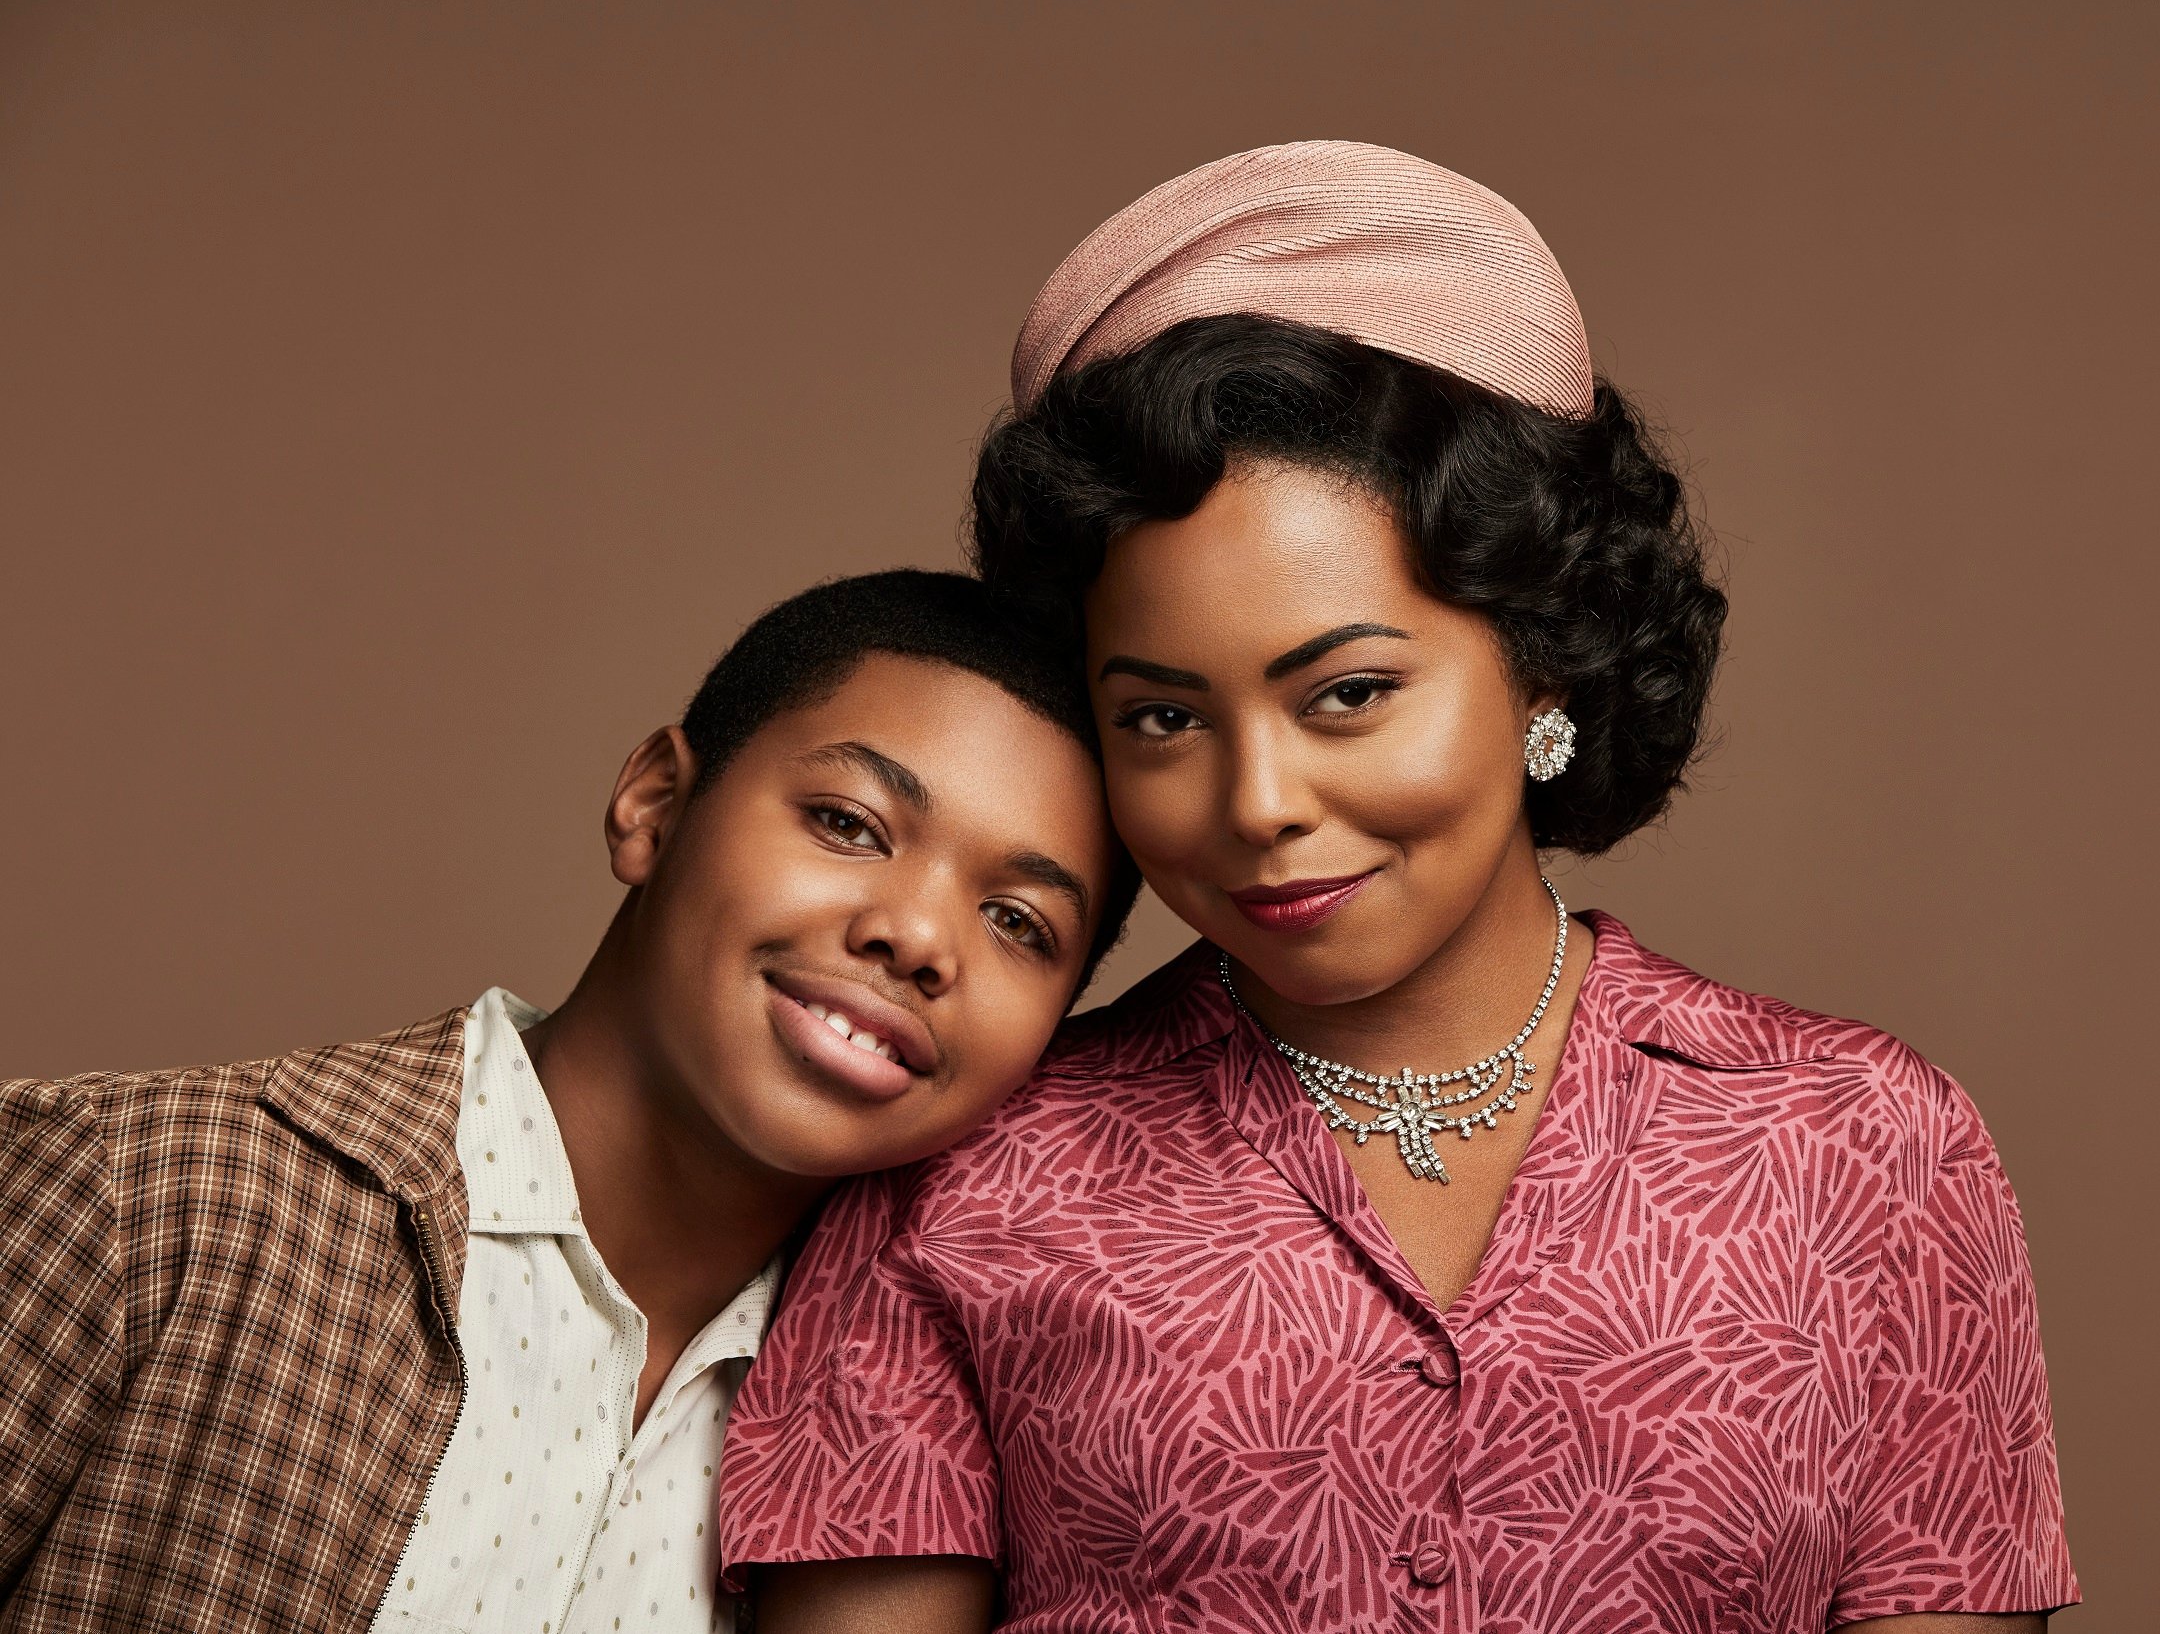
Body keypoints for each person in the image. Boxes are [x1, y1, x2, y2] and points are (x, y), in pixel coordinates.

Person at [722, 144, 2079, 1632]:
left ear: (1541, 657)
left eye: (1349, 691)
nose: (1258, 805)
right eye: (1164, 717)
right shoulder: (962, 1178)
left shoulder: (1870, 1151)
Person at [0, 570, 1137, 1633]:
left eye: (1018, 922)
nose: (920, 935)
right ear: (653, 803)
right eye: (847, 823)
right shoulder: (140, 1193)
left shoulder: (927, 1442)